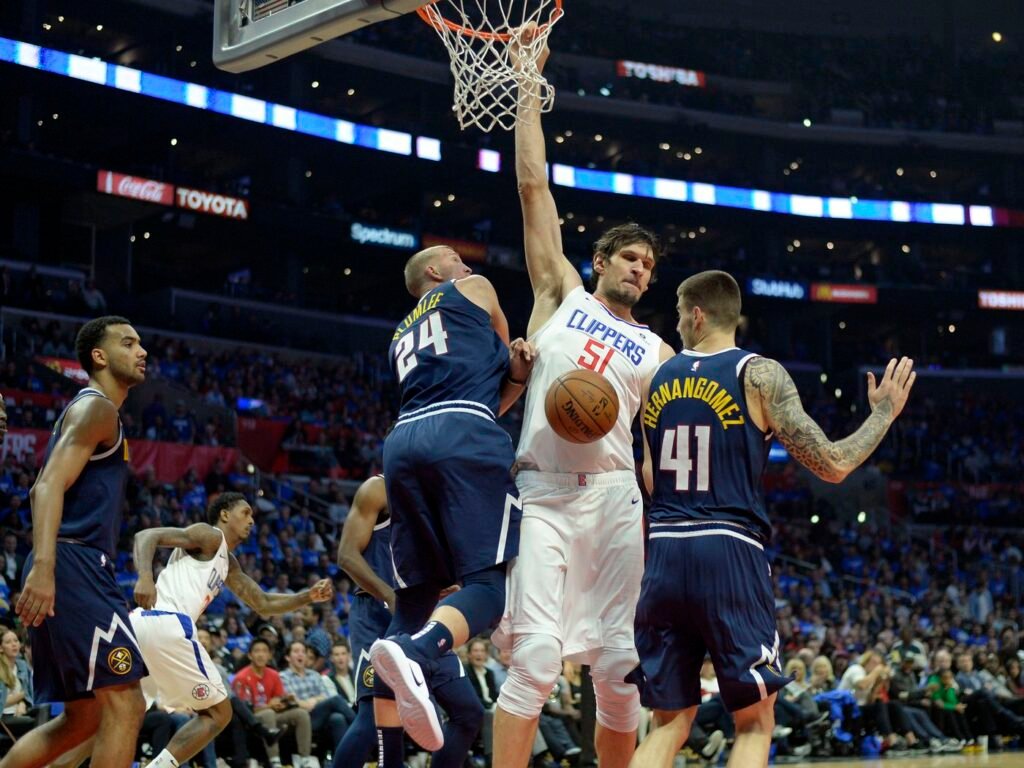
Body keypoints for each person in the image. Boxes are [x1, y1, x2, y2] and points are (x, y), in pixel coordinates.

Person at [628, 271, 916, 767]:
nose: (675, 325)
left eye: (678, 314)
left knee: (669, 722)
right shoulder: (758, 373)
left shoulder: (659, 378)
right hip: (729, 549)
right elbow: (834, 463)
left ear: (697, 314)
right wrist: (882, 416)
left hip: (665, 550)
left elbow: (652, 477)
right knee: (755, 720)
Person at [493, 31, 674, 768]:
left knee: (622, 673)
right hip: (541, 492)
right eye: (631, 258)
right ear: (600, 263)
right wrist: (530, 90)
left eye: (651, 266)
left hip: (614, 499)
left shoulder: (659, 352)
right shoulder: (561, 293)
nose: (642, 269)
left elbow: (665, 445)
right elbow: (534, 187)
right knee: (534, 661)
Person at [367, 244, 534, 764]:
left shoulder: (400, 332)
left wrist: (512, 382)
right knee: (487, 587)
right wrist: (524, 371)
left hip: (402, 443)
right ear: (438, 273)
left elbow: (488, 391)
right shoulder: (473, 288)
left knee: (416, 600)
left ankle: (390, 756)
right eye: (459, 261)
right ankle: (420, 653)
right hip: (462, 432)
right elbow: (510, 360)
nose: (469, 267)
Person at [52, 491, 336, 768]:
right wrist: (145, 578)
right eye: (246, 513)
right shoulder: (210, 535)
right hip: (165, 624)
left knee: (115, 716)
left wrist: (307, 596)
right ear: (225, 514)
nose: (252, 520)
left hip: (140, 626)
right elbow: (146, 536)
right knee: (218, 713)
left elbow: (262, 603)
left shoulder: (229, 563)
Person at [2, 316, 150, 768]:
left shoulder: (100, 412)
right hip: (71, 564)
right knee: (126, 703)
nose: (141, 351)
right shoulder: (96, 408)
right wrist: (45, 568)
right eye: (128, 343)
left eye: (141, 342)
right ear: (98, 357)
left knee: (84, 717)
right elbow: (44, 487)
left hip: (75, 564)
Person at [336, 473, 486, 768]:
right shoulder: (377, 488)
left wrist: (441, 586)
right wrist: (391, 596)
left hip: (420, 617)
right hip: (377, 614)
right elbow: (346, 556)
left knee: (468, 713)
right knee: (372, 720)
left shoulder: (434, 497)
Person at [232, 638, 315, 767]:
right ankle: (274, 760)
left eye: (265, 651)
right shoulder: (241, 677)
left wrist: (283, 702)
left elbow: (277, 698)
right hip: (252, 719)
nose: (261, 654)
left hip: (273, 713)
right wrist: (269, 706)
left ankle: (305, 759)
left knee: (301, 713)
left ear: (270, 655)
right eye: (257, 651)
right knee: (268, 713)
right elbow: (245, 710)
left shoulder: (274, 674)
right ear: (250, 655)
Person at [279, 641, 354, 754]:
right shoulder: (283, 677)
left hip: (319, 714)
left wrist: (312, 700)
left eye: (303, 652)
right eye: (296, 651)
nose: (300, 654)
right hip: (301, 718)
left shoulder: (314, 675)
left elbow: (324, 696)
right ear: (287, 657)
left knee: (337, 718)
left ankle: (343, 762)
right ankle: (362, 728)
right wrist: (309, 702)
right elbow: (292, 701)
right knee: (336, 700)